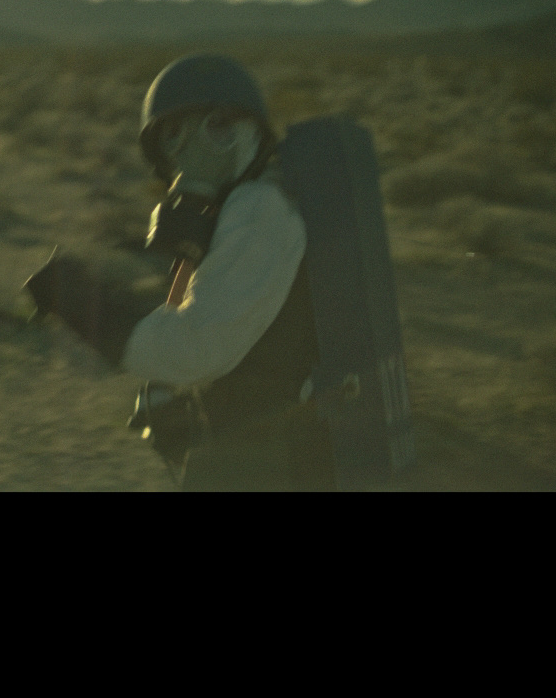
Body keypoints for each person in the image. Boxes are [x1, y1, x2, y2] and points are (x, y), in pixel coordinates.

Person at [27, 53, 332, 491]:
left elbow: (195, 349)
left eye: (214, 127)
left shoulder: (260, 210)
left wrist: (86, 308)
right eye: (172, 137)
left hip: (269, 461)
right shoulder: (241, 209)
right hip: (255, 443)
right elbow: (213, 320)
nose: (190, 151)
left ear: (248, 132)